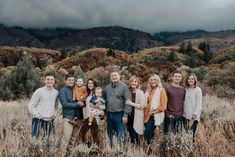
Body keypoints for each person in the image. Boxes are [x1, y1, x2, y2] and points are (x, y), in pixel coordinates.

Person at [28, 73, 58, 149]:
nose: (50, 81)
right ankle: (33, 153)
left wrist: (55, 113)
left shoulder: (56, 92)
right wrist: (38, 115)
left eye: (52, 79)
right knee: (34, 139)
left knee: (46, 140)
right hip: (38, 119)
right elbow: (31, 106)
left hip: (50, 120)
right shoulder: (39, 91)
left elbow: (56, 105)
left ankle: (44, 153)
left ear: (54, 81)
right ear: (44, 81)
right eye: (48, 79)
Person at [103, 71, 132, 149]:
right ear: (110, 78)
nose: (113, 77)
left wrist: (125, 115)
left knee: (121, 134)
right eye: (112, 76)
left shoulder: (124, 87)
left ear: (119, 77)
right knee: (110, 134)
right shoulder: (107, 88)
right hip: (109, 114)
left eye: (115, 75)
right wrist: (104, 113)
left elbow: (128, 102)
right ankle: (112, 150)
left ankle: (121, 151)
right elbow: (104, 100)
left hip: (120, 114)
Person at [59, 74, 84, 157]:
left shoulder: (76, 89)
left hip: (78, 118)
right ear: (65, 81)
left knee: (73, 139)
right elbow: (65, 104)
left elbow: (83, 101)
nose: (71, 81)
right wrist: (77, 104)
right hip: (68, 117)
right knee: (66, 138)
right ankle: (62, 155)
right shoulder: (62, 91)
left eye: (72, 80)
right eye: (69, 80)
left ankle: (68, 155)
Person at [143, 74, 167, 144]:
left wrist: (154, 112)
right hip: (147, 115)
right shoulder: (148, 90)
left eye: (155, 79)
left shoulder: (161, 90)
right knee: (150, 135)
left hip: (154, 116)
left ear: (158, 81)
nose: (153, 81)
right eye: (151, 80)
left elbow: (163, 106)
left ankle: (150, 150)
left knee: (147, 135)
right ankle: (152, 151)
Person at [78, 78, 101, 146]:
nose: (90, 84)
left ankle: (96, 150)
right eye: (89, 83)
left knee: (94, 135)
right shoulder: (88, 94)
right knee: (82, 134)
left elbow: (100, 105)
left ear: (95, 84)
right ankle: (86, 148)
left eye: (92, 83)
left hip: (94, 117)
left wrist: (97, 107)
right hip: (87, 117)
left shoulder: (97, 93)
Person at [125, 75, 146, 146]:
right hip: (128, 116)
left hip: (137, 117)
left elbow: (143, 106)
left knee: (135, 135)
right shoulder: (127, 92)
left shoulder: (140, 92)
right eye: (132, 81)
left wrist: (131, 103)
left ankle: (137, 151)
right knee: (130, 134)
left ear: (138, 83)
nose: (133, 83)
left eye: (135, 81)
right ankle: (132, 151)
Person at [164, 70, 186, 134]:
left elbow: (184, 102)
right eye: (175, 76)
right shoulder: (167, 88)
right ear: (172, 78)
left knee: (178, 137)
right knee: (168, 137)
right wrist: (167, 114)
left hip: (180, 116)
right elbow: (164, 102)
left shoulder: (183, 89)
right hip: (170, 117)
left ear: (181, 78)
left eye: (179, 76)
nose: (177, 78)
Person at [183, 73, 202, 143]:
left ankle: (191, 152)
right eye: (189, 79)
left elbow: (198, 106)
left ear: (195, 80)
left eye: (192, 79)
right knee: (185, 135)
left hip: (193, 118)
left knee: (190, 136)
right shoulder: (186, 89)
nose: (190, 80)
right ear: (187, 80)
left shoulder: (198, 90)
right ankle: (186, 151)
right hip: (185, 117)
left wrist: (192, 119)